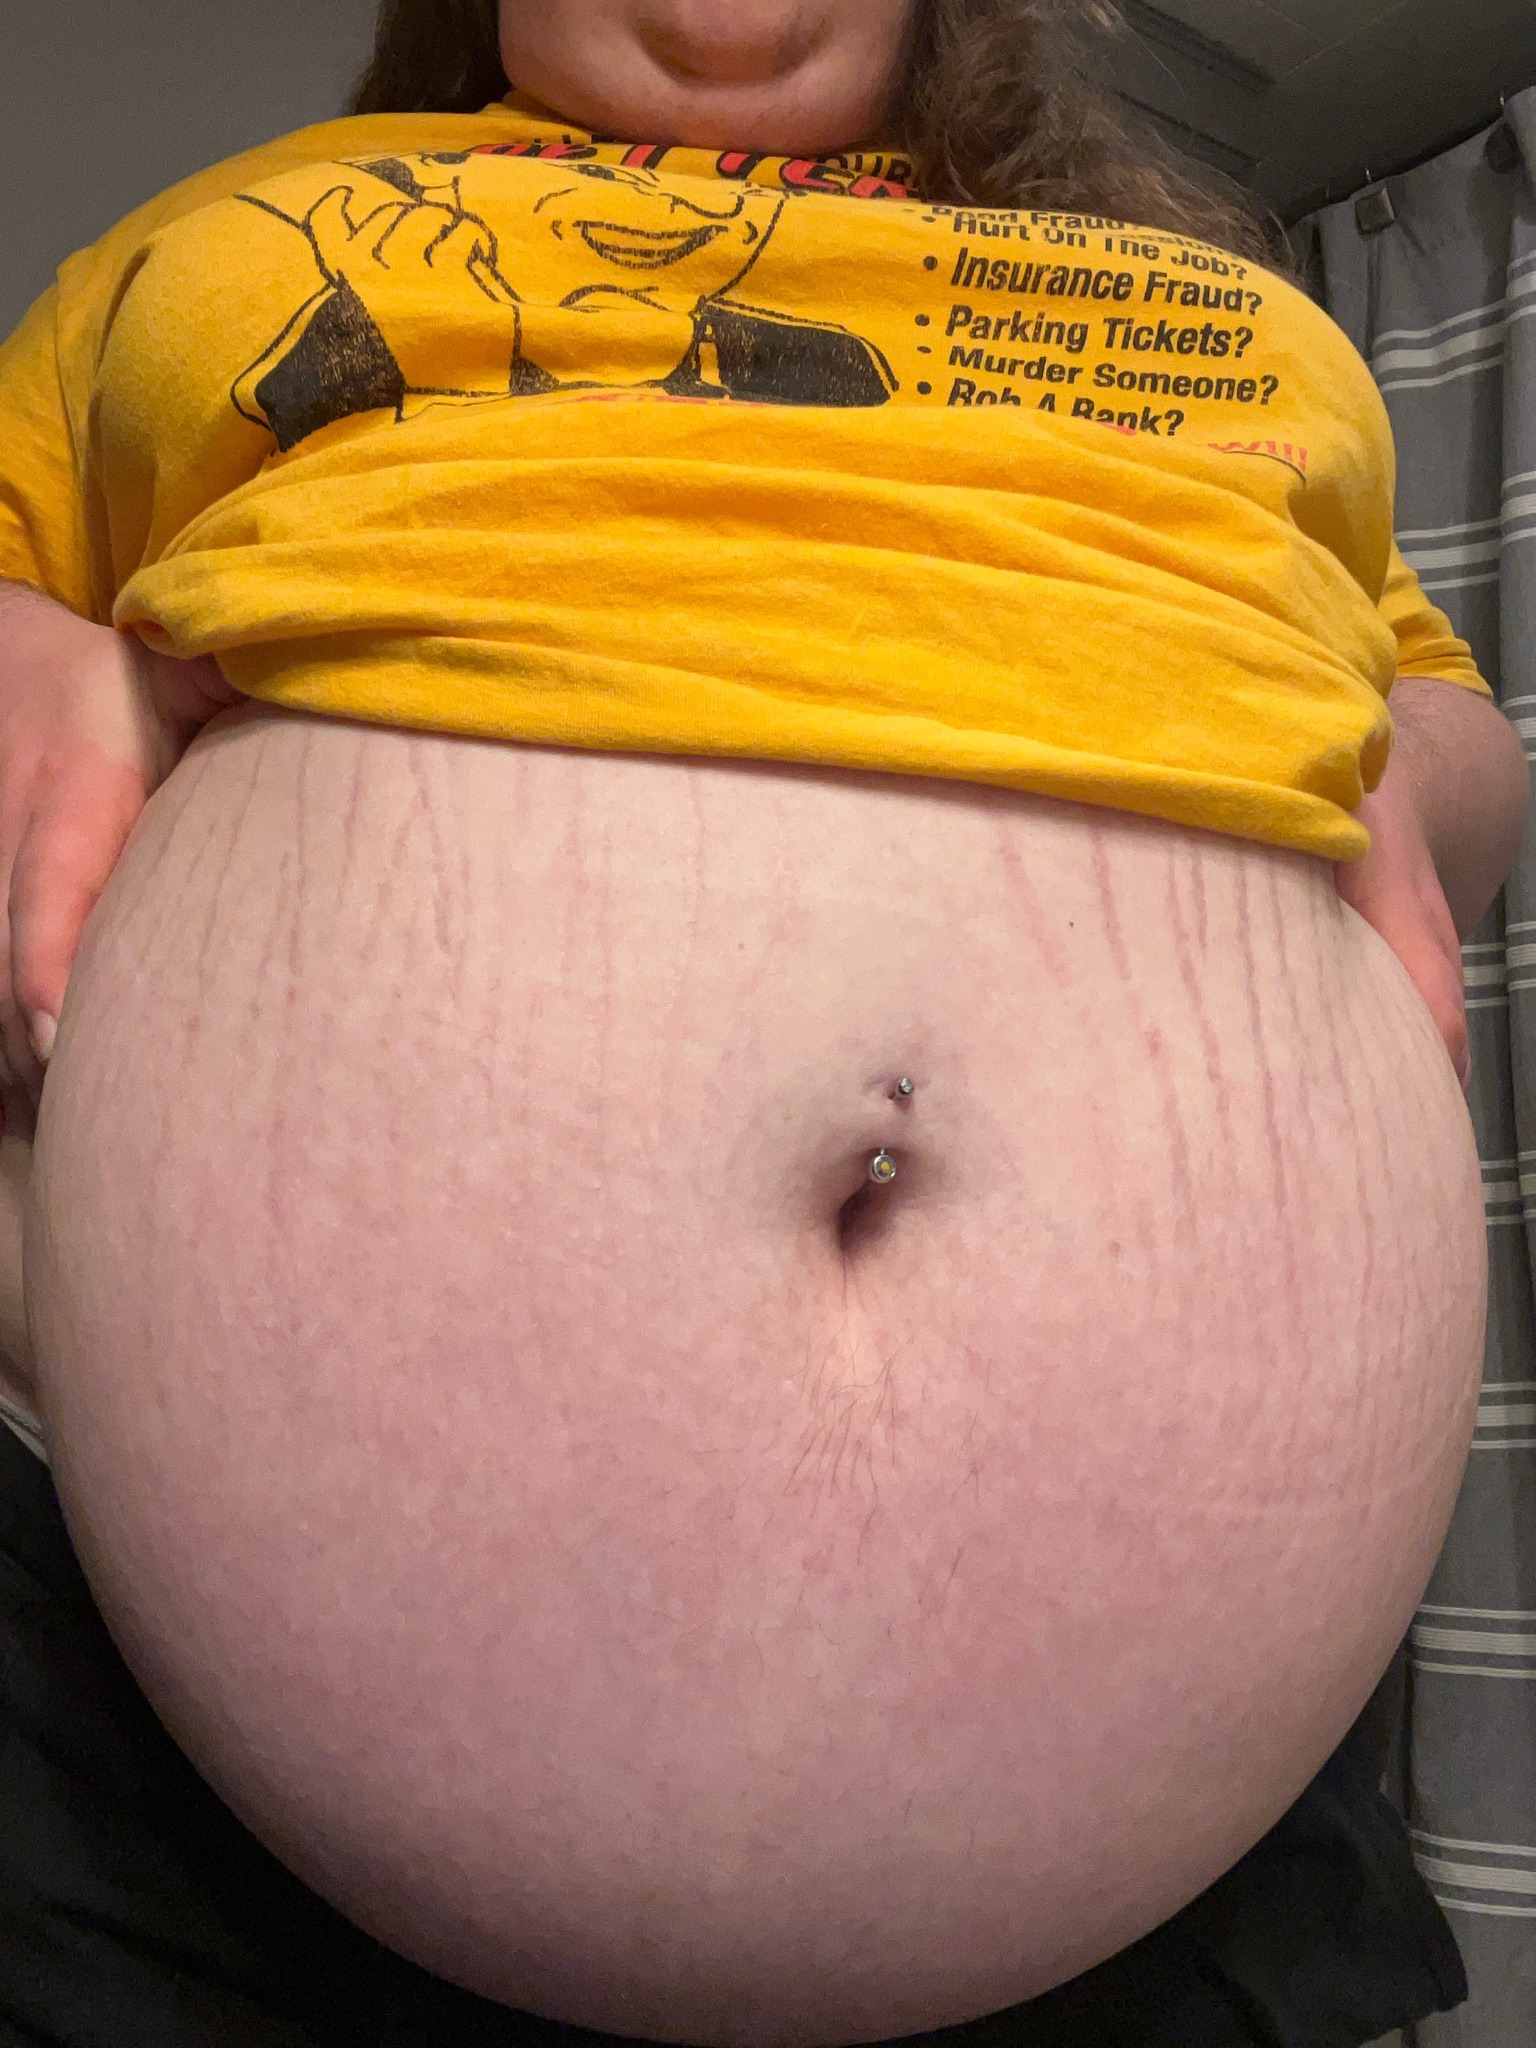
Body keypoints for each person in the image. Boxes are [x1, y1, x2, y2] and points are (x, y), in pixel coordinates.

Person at [0, 1, 1527, 2044]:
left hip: (1172, 1849)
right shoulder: (223, 250)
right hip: (212, 1824)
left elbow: (1445, 717)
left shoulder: (1202, 311)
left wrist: (1401, 777)